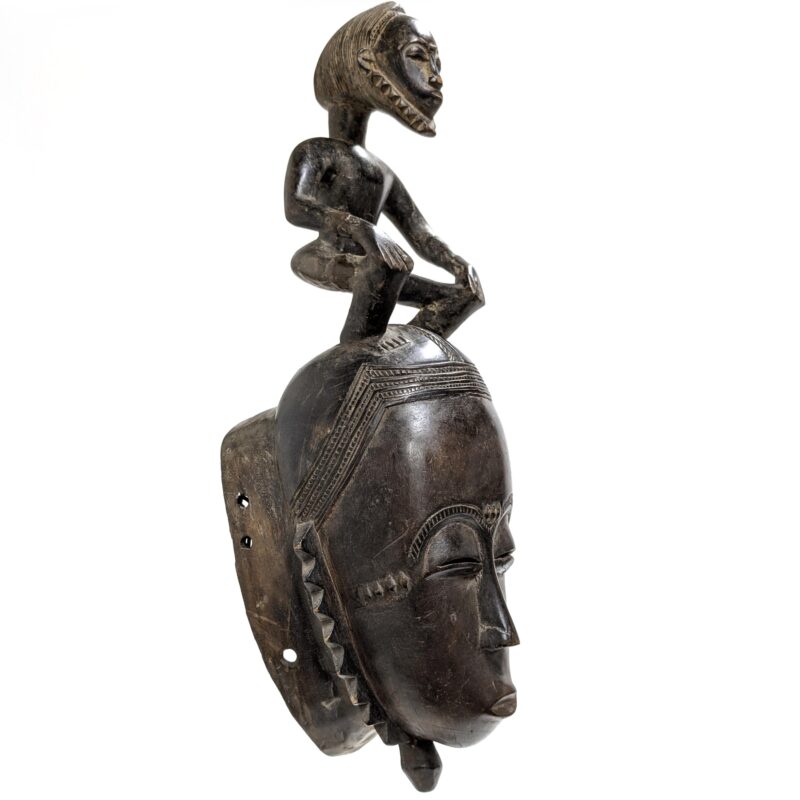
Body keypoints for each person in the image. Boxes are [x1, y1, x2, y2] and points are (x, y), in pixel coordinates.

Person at [284, 3, 484, 342]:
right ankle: (358, 350)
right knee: (389, 268)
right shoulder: (315, 152)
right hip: (323, 257)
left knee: (463, 296)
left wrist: (455, 262)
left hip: (380, 266)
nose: (435, 76)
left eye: (436, 63)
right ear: (366, 63)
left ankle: (398, 354)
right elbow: (296, 208)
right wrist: (361, 228)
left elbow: (419, 233)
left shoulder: (381, 174)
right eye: (418, 56)